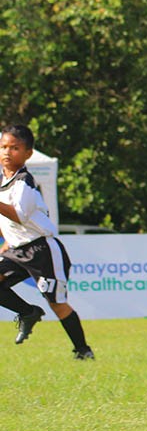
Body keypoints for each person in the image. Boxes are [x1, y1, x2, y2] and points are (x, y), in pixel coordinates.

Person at [0, 124, 93, 359]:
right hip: (16, 249)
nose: (7, 152)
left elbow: (18, 215)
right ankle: (28, 312)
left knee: (57, 304)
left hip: (41, 250)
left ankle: (83, 351)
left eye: (15, 148)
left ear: (28, 154)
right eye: (3, 147)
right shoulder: (3, 180)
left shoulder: (24, 182)